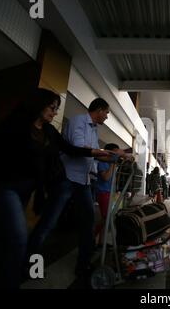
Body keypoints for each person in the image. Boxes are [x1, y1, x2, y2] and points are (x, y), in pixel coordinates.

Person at [0, 89, 112, 288]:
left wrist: (109, 155)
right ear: (38, 104)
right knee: (26, 234)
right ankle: (17, 276)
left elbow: (70, 149)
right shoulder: (16, 125)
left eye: (56, 109)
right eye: (52, 108)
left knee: (10, 235)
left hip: (35, 188)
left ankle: (36, 268)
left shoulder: (48, 131)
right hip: (8, 187)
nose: (55, 113)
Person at [28, 97, 125, 281]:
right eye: (106, 113)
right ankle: (30, 265)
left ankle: (83, 265)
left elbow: (96, 155)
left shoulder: (95, 131)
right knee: (48, 222)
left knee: (88, 224)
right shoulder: (77, 121)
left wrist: (116, 158)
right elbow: (79, 148)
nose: (106, 117)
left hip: (84, 182)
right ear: (98, 109)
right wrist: (112, 153)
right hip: (67, 178)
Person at [95, 143, 120, 247]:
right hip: (103, 192)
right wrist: (113, 164)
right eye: (115, 152)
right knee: (106, 218)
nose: (117, 155)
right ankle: (92, 237)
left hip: (110, 192)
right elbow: (105, 177)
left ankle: (101, 242)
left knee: (105, 219)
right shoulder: (102, 162)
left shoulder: (111, 163)